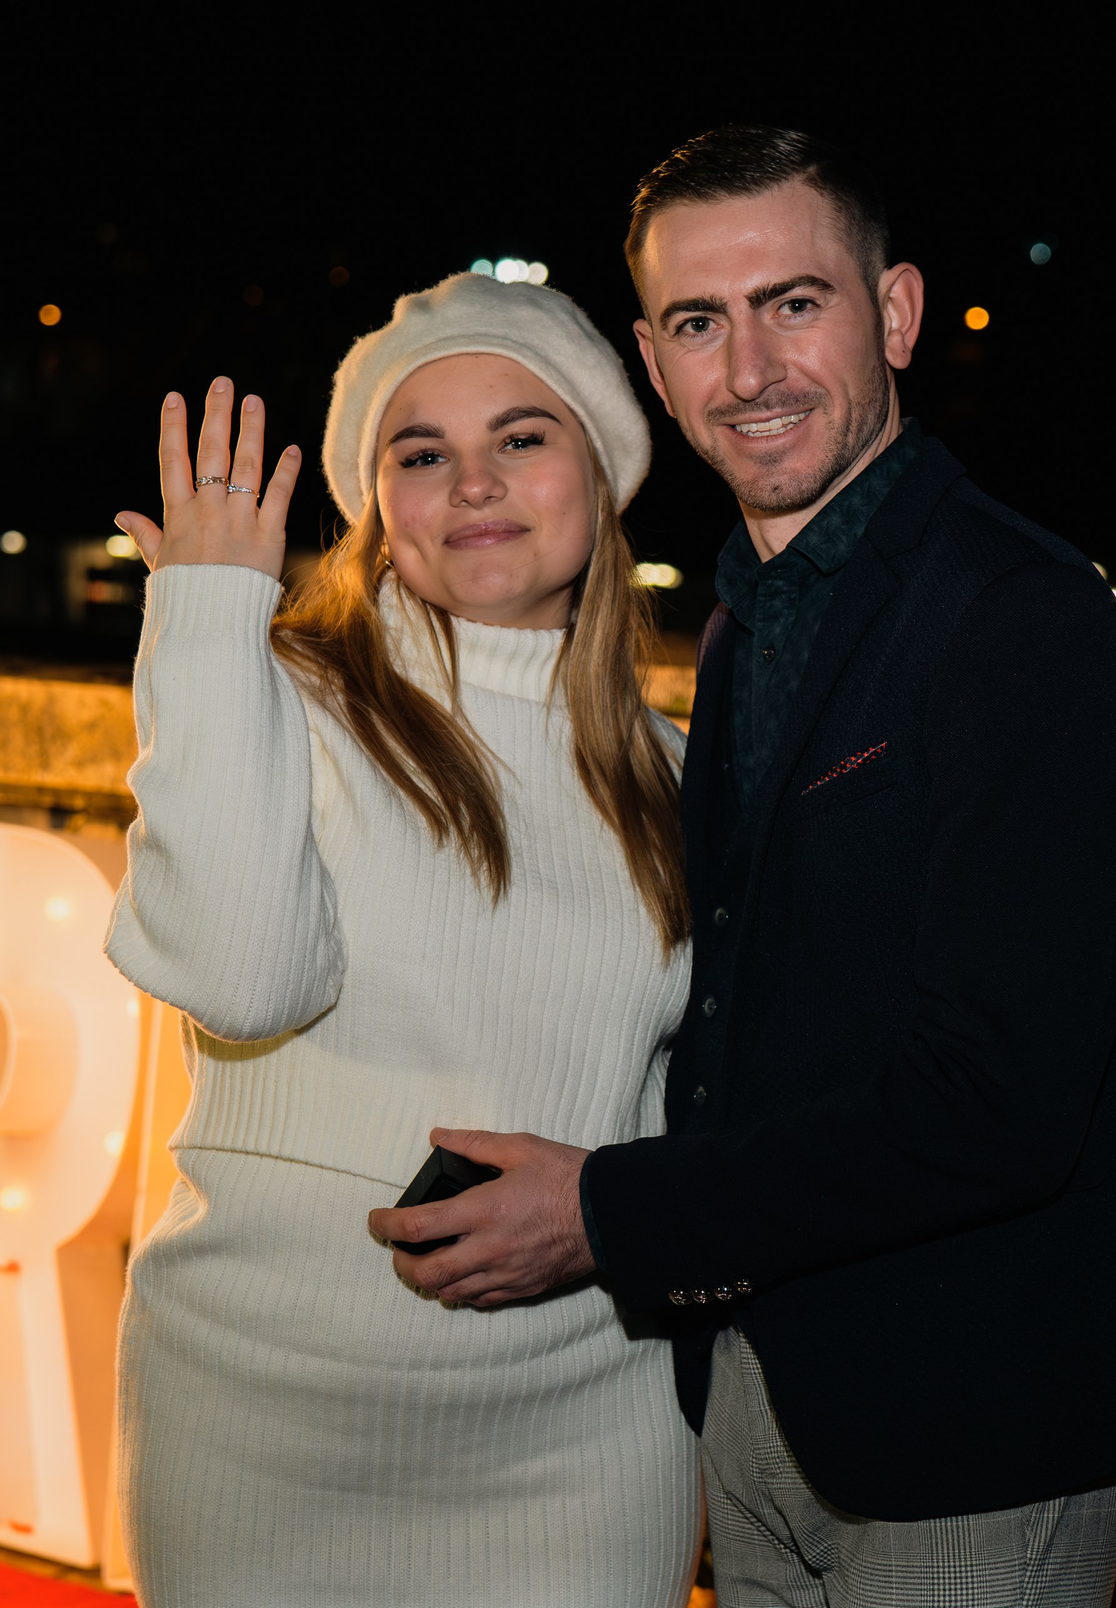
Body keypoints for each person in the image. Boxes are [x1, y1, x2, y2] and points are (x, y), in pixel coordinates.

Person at [369, 127, 1116, 1606]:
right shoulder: (746, 621)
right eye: (699, 323)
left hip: (966, 1434)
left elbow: (997, 1106)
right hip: (757, 1410)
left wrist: (607, 1216)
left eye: (796, 303)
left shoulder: (1022, 620)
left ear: (900, 314)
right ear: (654, 365)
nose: (750, 370)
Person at [104, 272, 701, 1607]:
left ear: (600, 476)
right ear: (381, 508)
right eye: (420, 455)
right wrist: (208, 616)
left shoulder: (681, 772)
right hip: (264, 1428)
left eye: (522, 438)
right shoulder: (278, 695)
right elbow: (241, 980)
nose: (473, 483)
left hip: (585, 1436)